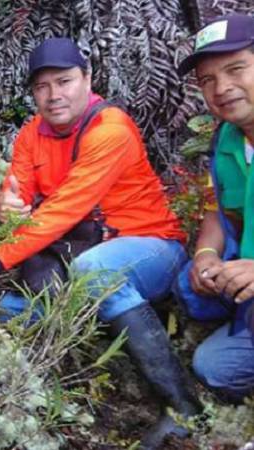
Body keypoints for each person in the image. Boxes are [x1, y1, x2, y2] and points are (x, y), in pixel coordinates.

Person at [0, 37, 199, 448]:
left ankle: (182, 406)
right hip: (83, 247)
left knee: (90, 271)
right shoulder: (32, 133)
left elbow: (62, 211)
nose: (53, 95)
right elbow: (19, 191)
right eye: (42, 87)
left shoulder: (111, 129)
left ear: (87, 78)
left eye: (64, 81)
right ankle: (99, 333)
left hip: (152, 248)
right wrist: (4, 203)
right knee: (16, 301)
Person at [173, 13, 254, 403]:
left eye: (236, 69)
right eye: (207, 80)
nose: (222, 88)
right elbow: (217, 211)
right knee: (190, 290)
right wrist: (206, 254)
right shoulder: (227, 139)